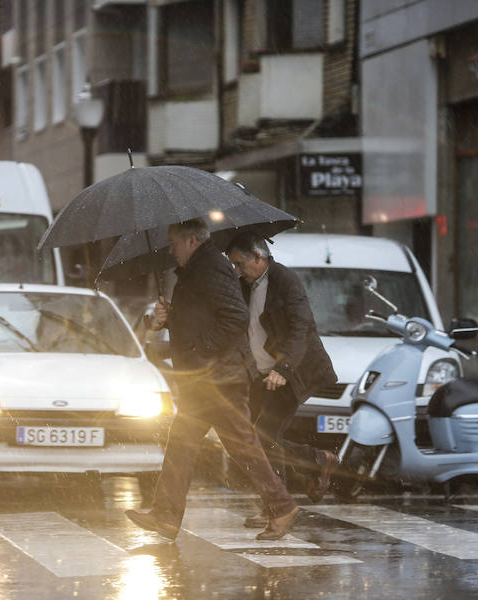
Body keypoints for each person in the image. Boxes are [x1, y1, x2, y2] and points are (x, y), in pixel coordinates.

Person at [125, 219, 300, 541]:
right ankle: (166, 515)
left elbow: (235, 316)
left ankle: (282, 506)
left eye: (174, 243)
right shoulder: (198, 269)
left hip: (220, 377)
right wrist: (162, 319)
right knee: (183, 444)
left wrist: (200, 349)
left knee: (241, 445)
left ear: (192, 241)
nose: (171, 250)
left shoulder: (211, 266)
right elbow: (202, 316)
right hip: (207, 378)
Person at [225, 232, 340, 527]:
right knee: (256, 438)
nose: (237, 270)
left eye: (240, 264)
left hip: (292, 373)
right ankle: (314, 464)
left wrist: (283, 368)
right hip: (263, 375)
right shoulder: (244, 284)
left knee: (262, 437)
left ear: (258, 258)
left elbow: (301, 328)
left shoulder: (286, 281)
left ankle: (278, 505)